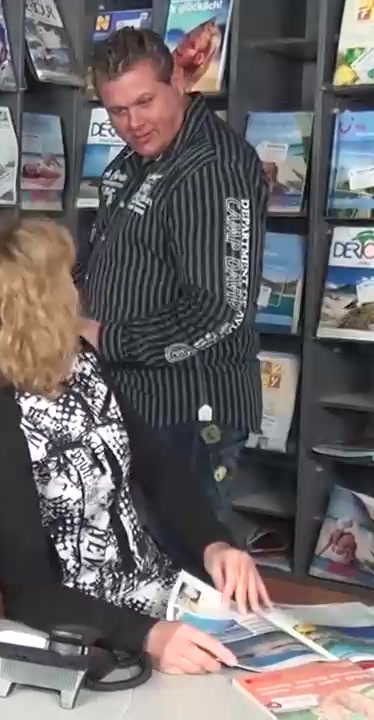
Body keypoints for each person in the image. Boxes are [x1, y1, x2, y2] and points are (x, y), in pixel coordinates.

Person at [0, 217, 270, 674]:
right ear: (36, 303)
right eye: (65, 278)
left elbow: (157, 467)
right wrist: (148, 636)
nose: (77, 291)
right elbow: (29, 594)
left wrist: (214, 544)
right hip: (90, 633)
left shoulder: (80, 363)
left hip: (160, 597)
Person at [76, 27, 268, 534]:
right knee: (138, 564)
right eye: (118, 111)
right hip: (133, 404)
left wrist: (106, 338)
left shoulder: (212, 168)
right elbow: (109, 259)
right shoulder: (131, 162)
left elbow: (220, 310)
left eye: (145, 102)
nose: (134, 123)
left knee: (188, 563)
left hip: (191, 417)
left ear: (178, 82)